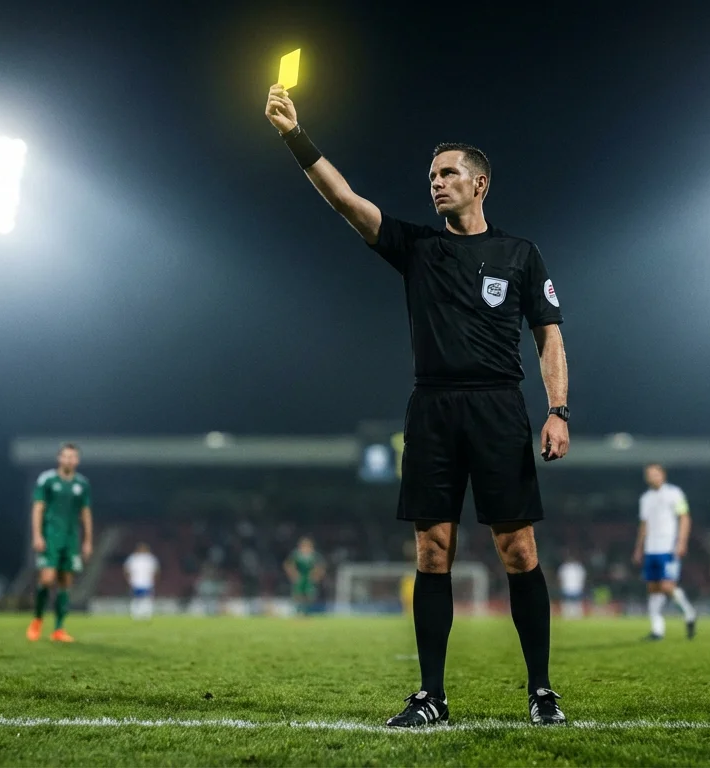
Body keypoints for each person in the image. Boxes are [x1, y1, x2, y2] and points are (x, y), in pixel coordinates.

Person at [265, 83, 571, 727]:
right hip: (431, 409)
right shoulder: (418, 248)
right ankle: (431, 696)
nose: (436, 183)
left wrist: (557, 409)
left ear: (480, 183)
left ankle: (541, 690)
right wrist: (296, 136)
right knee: (432, 550)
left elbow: (549, 336)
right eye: (431, 175)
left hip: (497, 407)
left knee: (518, 549)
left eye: (449, 173)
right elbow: (346, 201)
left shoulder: (520, 254)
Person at [26, 443, 93, 643]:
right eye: (66, 456)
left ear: (77, 461)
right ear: (59, 458)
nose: (69, 460)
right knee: (47, 579)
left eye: (73, 457)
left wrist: (88, 540)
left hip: (71, 538)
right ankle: (37, 620)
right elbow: (38, 508)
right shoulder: (47, 480)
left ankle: (58, 628)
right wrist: (37, 535)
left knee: (65, 582)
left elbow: (85, 512)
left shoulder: (82, 484)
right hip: (50, 536)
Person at [632, 464, 697, 640]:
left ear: (663, 475)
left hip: (668, 547)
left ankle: (690, 613)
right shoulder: (645, 498)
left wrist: (681, 542)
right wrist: (639, 548)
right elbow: (644, 525)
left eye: (656, 473)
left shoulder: (674, 493)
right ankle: (657, 630)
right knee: (653, 588)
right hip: (650, 548)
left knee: (667, 585)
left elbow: (684, 517)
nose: (653, 477)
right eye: (649, 474)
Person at [284, 537, 326, 616]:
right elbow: (288, 565)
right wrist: (293, 574)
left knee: (310, 595)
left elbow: (321, 566)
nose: (305, 547)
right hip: (300, 577)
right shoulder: (296, 554)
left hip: (309, 578)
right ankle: (298, 611)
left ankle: (306, 611)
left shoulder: (314, 555)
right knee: (298, 594)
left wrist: (317, 575)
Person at [123, 543, 159, 621]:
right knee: (136, 599)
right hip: (136, 582)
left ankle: (146, 614)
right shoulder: (133, 558)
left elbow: (155, 570)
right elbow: (126, 569)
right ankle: (135, 614)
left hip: (147, 582)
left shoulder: (150, 558)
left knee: (147, 599)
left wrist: (153, 579)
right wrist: (129, 579)